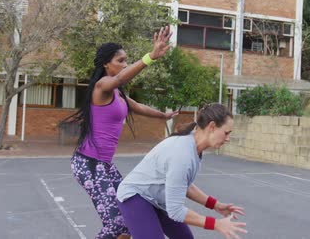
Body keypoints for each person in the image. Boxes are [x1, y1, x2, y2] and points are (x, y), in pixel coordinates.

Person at [70, 26, 178, 239]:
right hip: (88, 164)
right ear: (105, 64)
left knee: (129, 214)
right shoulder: (102, 86)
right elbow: (119, 79)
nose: (125, 64)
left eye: (126, 60)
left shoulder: (117, 94)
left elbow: (137, 106)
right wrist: (150, 57)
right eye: (120, 60)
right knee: (116, 224)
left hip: (105, 165)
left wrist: (162, 116)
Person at [116, 103, 247, 239]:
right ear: (212, 127)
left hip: (156, 199)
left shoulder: (193, 145)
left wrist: (216, 205)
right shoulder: (183, 154)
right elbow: (176, 212)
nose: (228, 138)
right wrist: (216, 224)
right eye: (226, 133)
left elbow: (182, 185)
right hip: (135, 196)